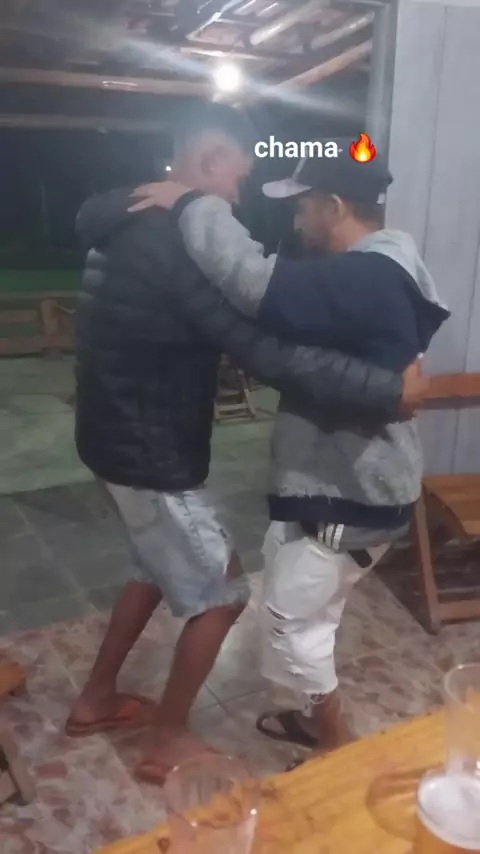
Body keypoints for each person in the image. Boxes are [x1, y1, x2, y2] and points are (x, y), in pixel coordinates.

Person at [69, 105, 427, 783]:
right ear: (207, 164)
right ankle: (167, 739)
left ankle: (96, 698)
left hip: (116, 435)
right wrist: (388, 389)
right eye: (235, 178)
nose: (238, 196)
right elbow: (256, 344)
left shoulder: (127, 217)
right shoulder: (176, 232)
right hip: (149, 448)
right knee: (222, 594)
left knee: (152, 567)